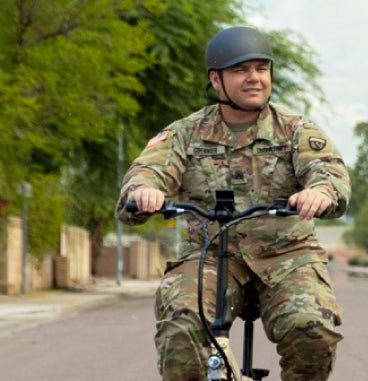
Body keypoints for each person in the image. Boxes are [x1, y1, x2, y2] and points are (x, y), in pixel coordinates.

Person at [115, 26, 350, 381]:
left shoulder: (296, 130)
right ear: (216, 79)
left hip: (287, 256)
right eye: (241, 70)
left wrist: (320, 191)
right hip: (208, 255)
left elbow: (328, 172)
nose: (254, 78)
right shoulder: (185, 133)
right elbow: (148, 170)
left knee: (312, 327)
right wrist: (144, 191)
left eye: (261, 68)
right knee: (181, 326)